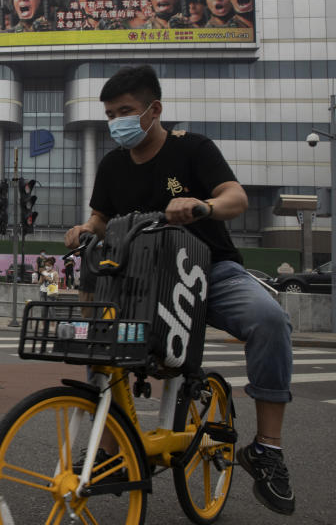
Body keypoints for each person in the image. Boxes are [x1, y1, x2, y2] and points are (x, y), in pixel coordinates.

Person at [64, 64, 295, 516]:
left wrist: (202, 204)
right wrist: (84, 229)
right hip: (140, 285)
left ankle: (267, 450)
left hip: (210, 272)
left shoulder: (193, 149)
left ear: (154, 110)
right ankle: (111, 454)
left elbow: (236, 198)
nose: (117, 123)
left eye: (125, 111)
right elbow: (100, 220)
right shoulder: (112, 166)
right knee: (97, 342)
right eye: (110, 114)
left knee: (270, 320)